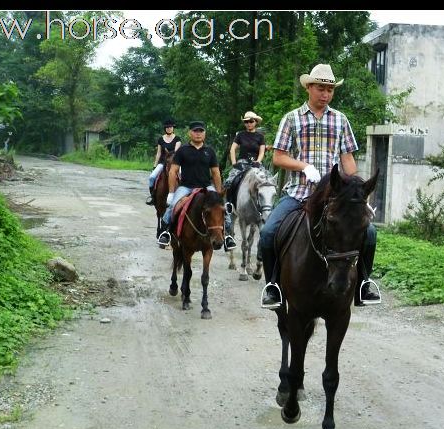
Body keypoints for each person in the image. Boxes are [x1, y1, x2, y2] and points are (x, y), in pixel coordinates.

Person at [258, 63, 380, 309]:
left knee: (369, 233)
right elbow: (278, 157)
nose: (325, 94)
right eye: (321, 88)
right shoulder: (291, 119)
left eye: (330, 90)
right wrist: (303, 167)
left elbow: (347, 160)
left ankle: (364, 284)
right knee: (268, 233)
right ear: (309, 88)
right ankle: (274, 286)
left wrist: (357, 192)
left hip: (336, 197)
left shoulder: (340, 120)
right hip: (299, 193)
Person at [156, 121, 237, 251]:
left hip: (206, 187)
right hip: (186, 187)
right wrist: (171, 193)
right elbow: (173, 171)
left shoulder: (210, 151)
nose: (198, 134)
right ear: (190, 133)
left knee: (221, 208)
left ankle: (227, 236)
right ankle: (165, 232)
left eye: (201, 131)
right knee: (173, 206)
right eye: (195, 131)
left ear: (204, 133)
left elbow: (216, 173)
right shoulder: (183, 150)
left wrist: (218, 192)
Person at [146, 118, 182, 205]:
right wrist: (154, 166)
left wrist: (170, 154)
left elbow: (176, 152)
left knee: (183, 177)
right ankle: (153, 196)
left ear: (173, 128)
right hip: (162, 163)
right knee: (152, 177)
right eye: (167, 127)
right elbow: (158, 153)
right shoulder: (161, 139)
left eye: (170, 127)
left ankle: (182, 196)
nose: (169, 128)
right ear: (165, 128)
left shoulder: (177, 139)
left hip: (175, 163)